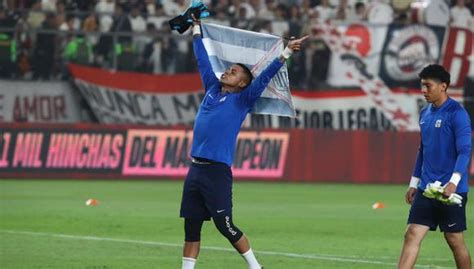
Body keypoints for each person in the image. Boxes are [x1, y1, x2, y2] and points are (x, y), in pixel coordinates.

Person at [180, 14, 308, 269]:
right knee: (191, 227)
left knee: (225, 226)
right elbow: (203, 60)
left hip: (217, 172)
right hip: (195, 170)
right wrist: (196, 29)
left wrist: (286, 53)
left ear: (242, 83)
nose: (227, 71)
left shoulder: (242, 100)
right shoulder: (211, 89)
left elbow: (264, 77)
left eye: (234, 71)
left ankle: (255, 267)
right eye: (229, 68)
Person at [397, 64, 472, 269]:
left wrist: (453, 183)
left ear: (443, 86)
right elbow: (423, 150)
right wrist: (414, 183)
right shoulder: (425, 113)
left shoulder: (457, 114)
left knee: (454, 239)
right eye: (422, 85)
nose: (424, 90)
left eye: (428, 86)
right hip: (427, 188)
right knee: (412, 234)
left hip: (451, 190)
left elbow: (465, 151)